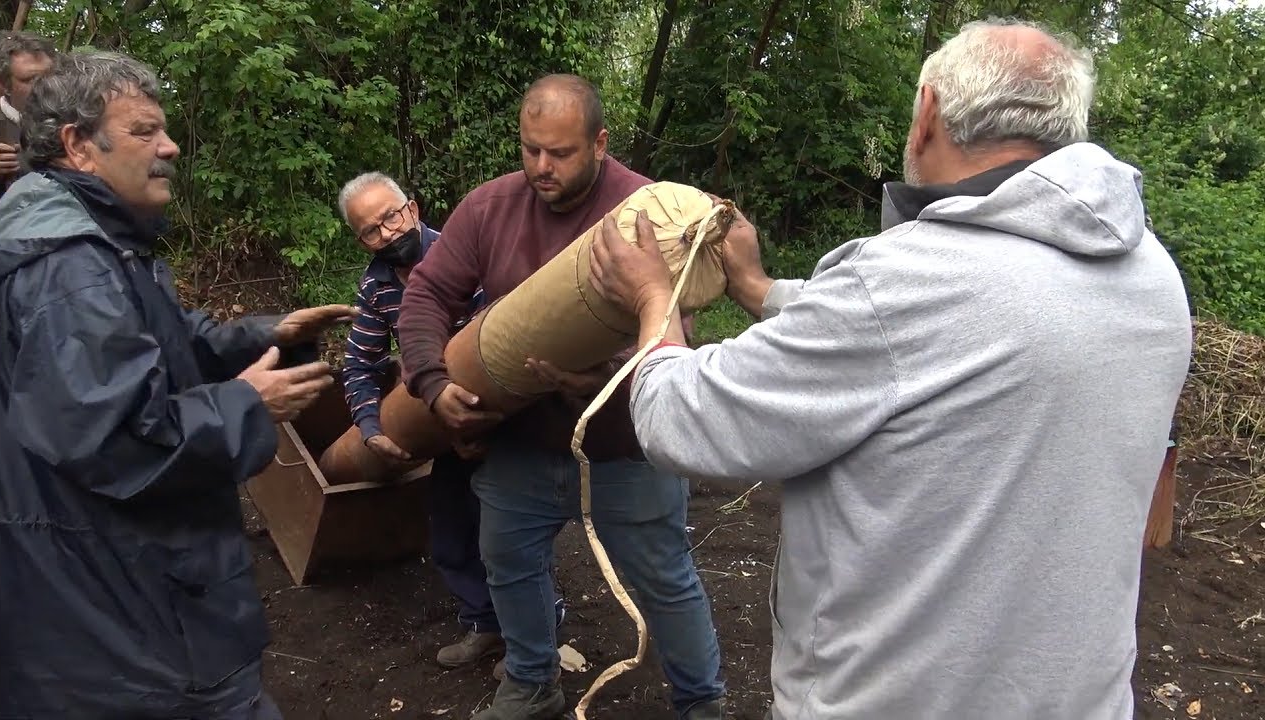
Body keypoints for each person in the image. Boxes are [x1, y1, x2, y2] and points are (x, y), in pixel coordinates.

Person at [589, 18, 1194, 720]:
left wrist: (652, 300)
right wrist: (760, 291)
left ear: (928, 114)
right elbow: (950, 335)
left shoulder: (903, 281)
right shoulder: (1149, 269)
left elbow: (683, 421)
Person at [0, 50, 357, 719]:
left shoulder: (90, 240)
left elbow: (161, 344)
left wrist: (268, 334)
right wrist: (247, 403)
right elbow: (119, 440)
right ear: (78, 144)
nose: (171, 146)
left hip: (102, 603)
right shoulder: (69, 271)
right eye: (145, 131)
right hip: (127, 626)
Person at [399, 74, 726, 720]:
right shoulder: (491, 208)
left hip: (622, 443)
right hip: (523, 434)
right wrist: (433, 383)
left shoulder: (645, 213)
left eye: (560, 153)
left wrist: (603, 373)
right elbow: (426, 295)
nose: (540, 168)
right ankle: (531, 684)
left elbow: (674, 333)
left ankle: (702, 701)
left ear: (600, 143)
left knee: (662, 577)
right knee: (508, 557)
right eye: (529, 150)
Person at [335, 170, 566, 673]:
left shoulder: (470, 254)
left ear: (413, 209)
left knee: (508, 530)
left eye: (391, 217)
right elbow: (359, 364)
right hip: (442, 421)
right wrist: (371, 426)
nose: (387, 234)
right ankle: (484, 625)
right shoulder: (376, 287)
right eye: (370, 231)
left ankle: (539, 634)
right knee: (450, 527)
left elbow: (509, 345)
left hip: (507, 417)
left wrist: (480, 426)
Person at [0, 29, 55, 202]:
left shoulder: (77, 122)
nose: (46, 85)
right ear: (4, 84)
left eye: (50, 76)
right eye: (31, 79)